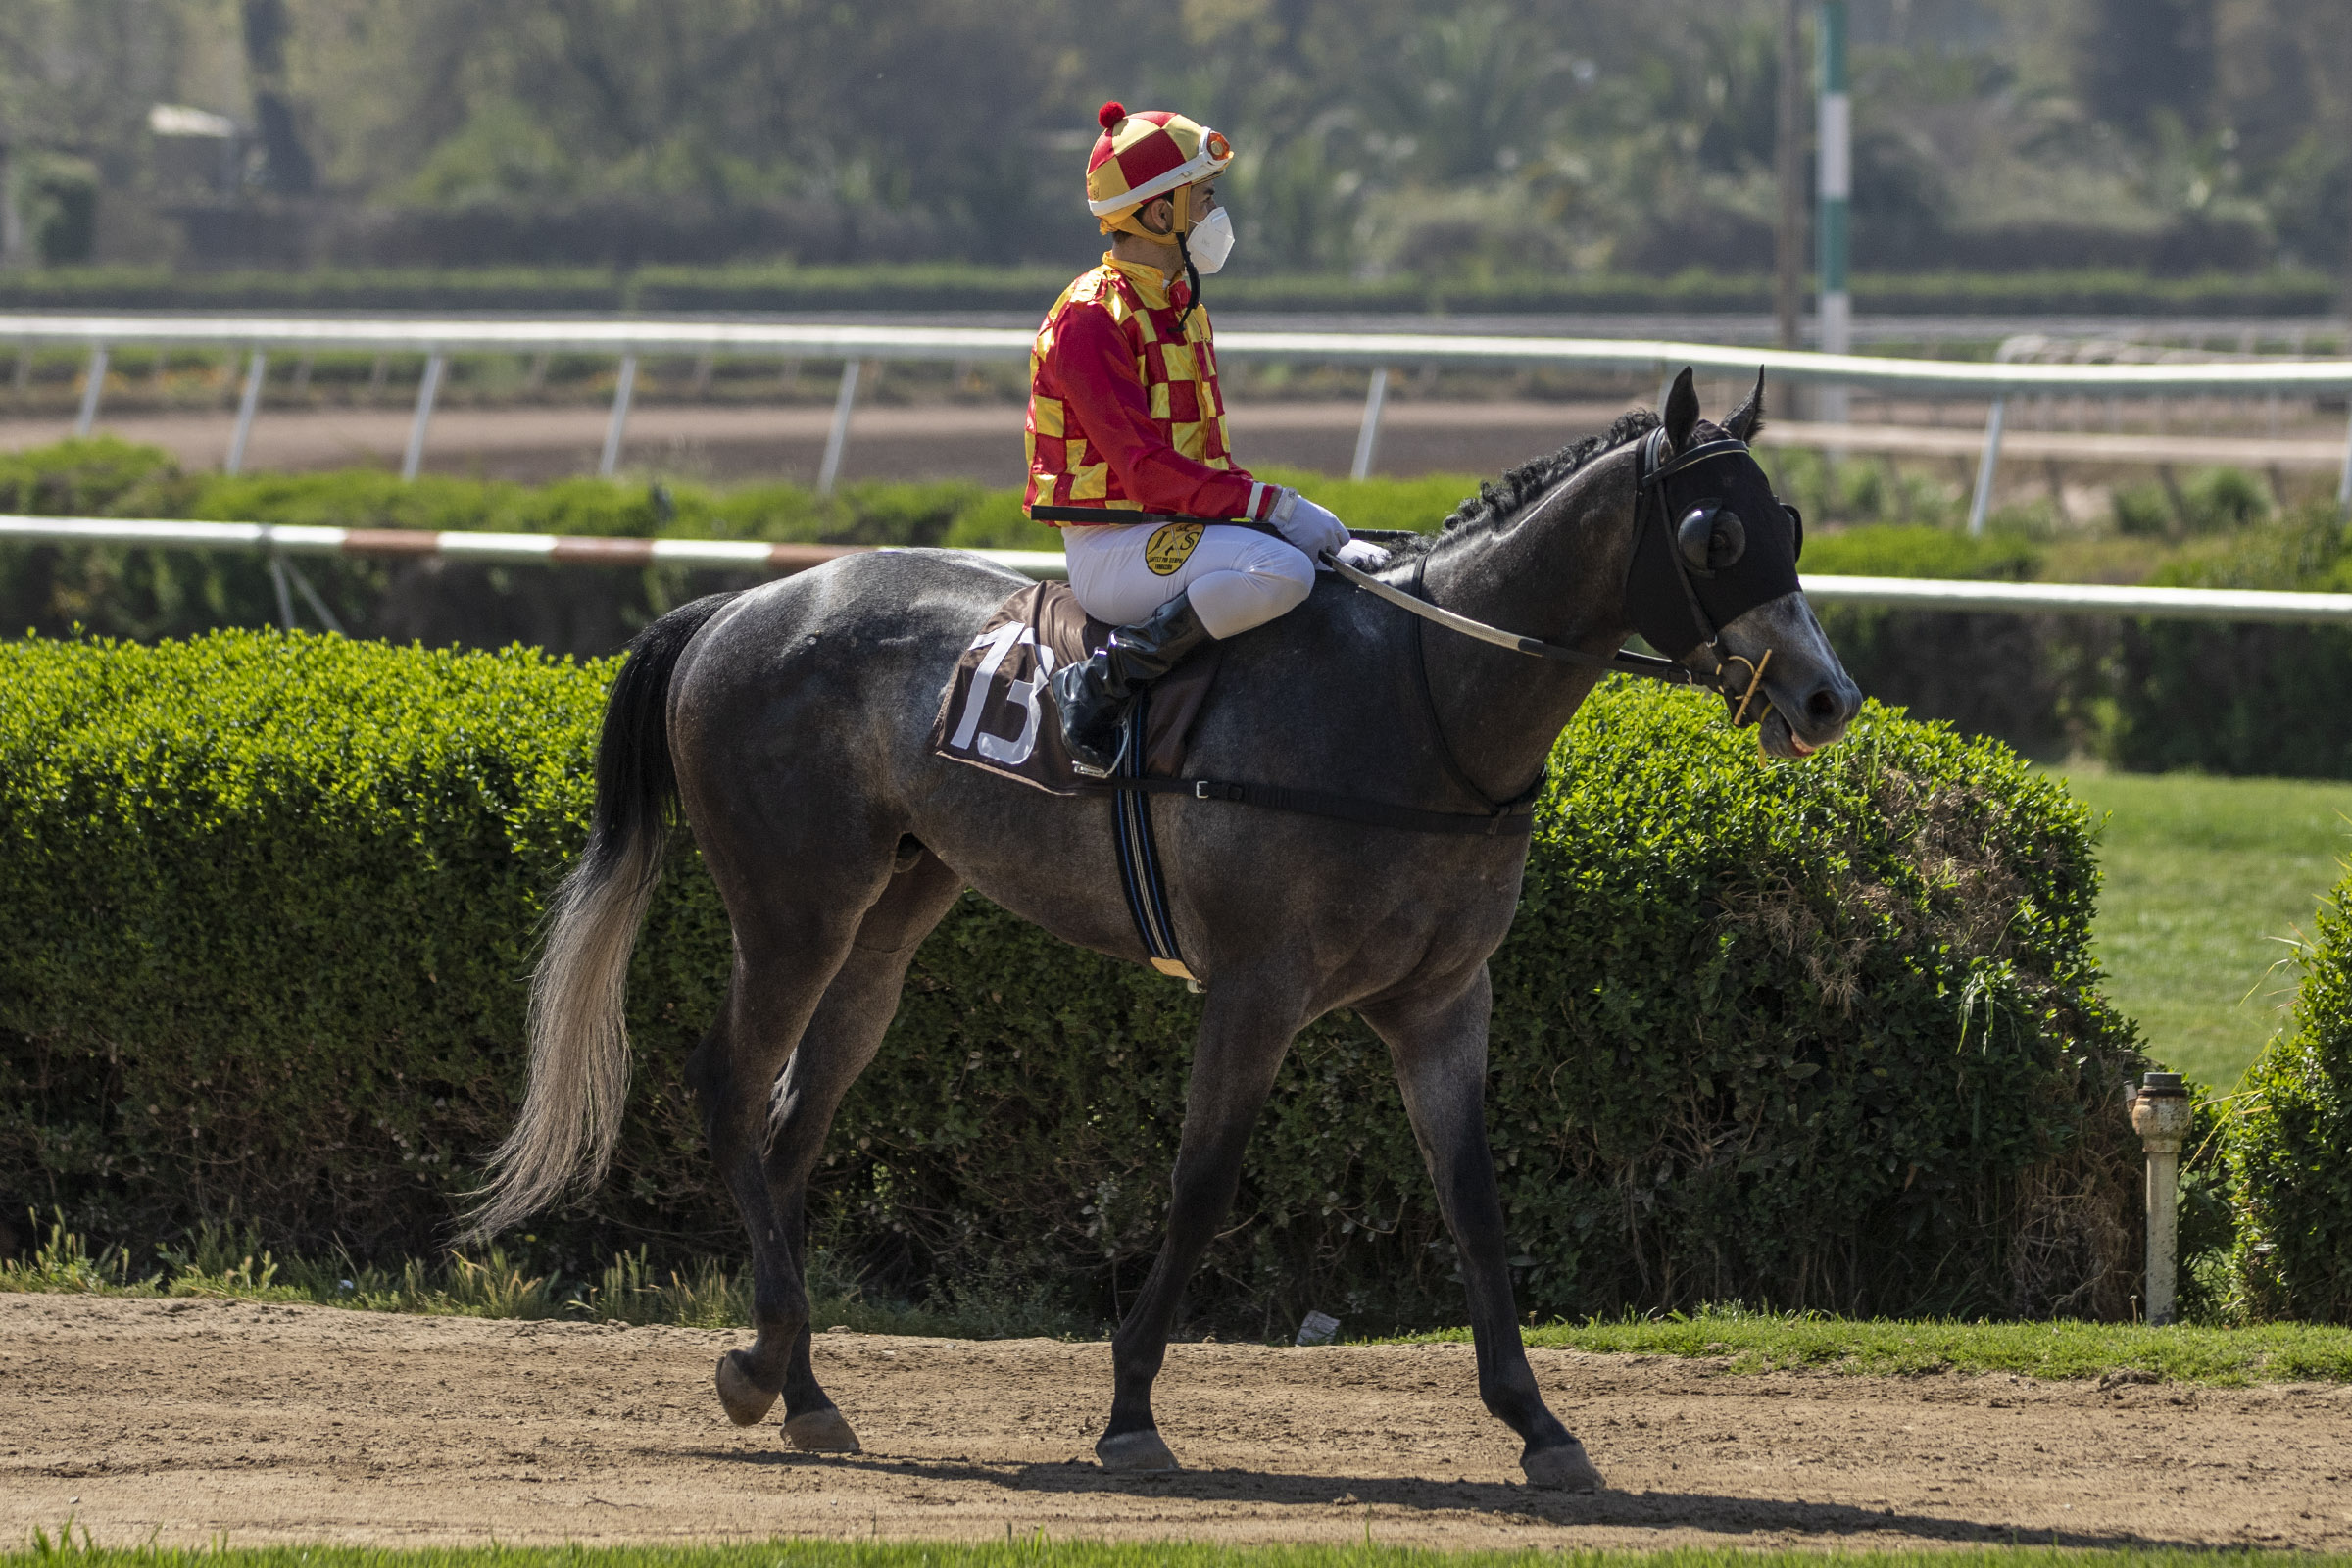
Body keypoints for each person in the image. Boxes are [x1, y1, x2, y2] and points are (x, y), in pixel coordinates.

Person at [1028, 101, 1387, 774]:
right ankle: (1100, 683)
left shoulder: (1181, 307)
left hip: (1173, 529)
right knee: (1280, 570)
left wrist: (1285, 511)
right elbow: (1147, 473)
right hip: (1113, 547)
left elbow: (1203, 465)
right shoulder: (1089, 319)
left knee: (1346, 558)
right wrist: (1275, 506)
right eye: (1205, 196)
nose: (1215, 212)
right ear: (1159, 212)